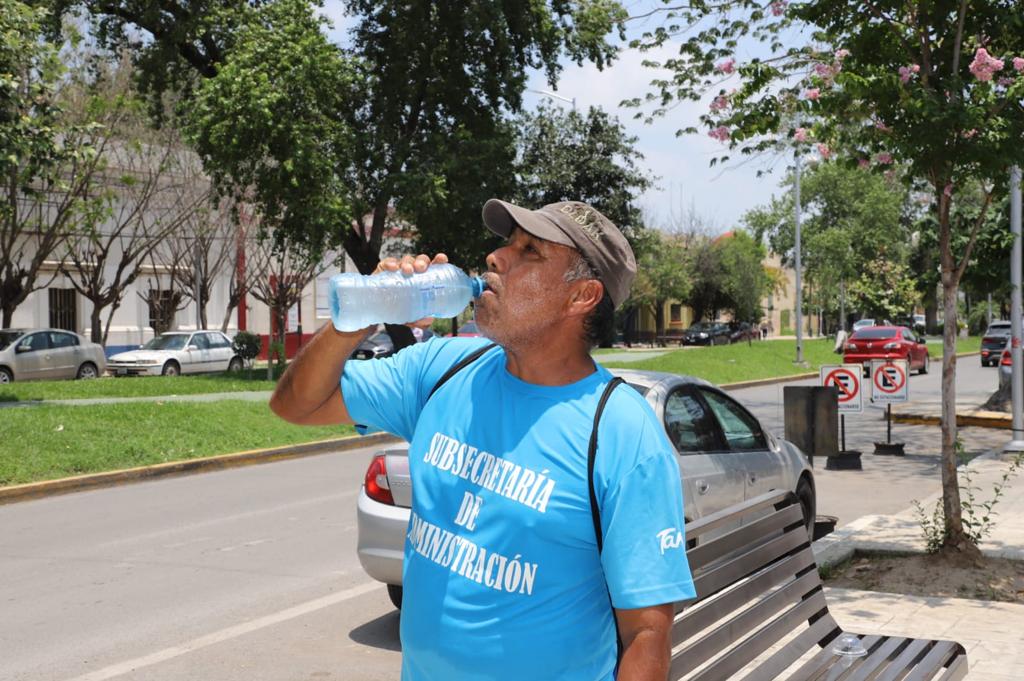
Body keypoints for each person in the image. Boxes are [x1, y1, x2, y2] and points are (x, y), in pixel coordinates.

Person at [271, 199, 695, 681]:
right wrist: (358, 318)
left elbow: (646, 634)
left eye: (530, 251)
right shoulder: (444, 368)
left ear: (581, 297)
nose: (496, 258)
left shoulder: (620, 431)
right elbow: (295, 405)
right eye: (507, 243)